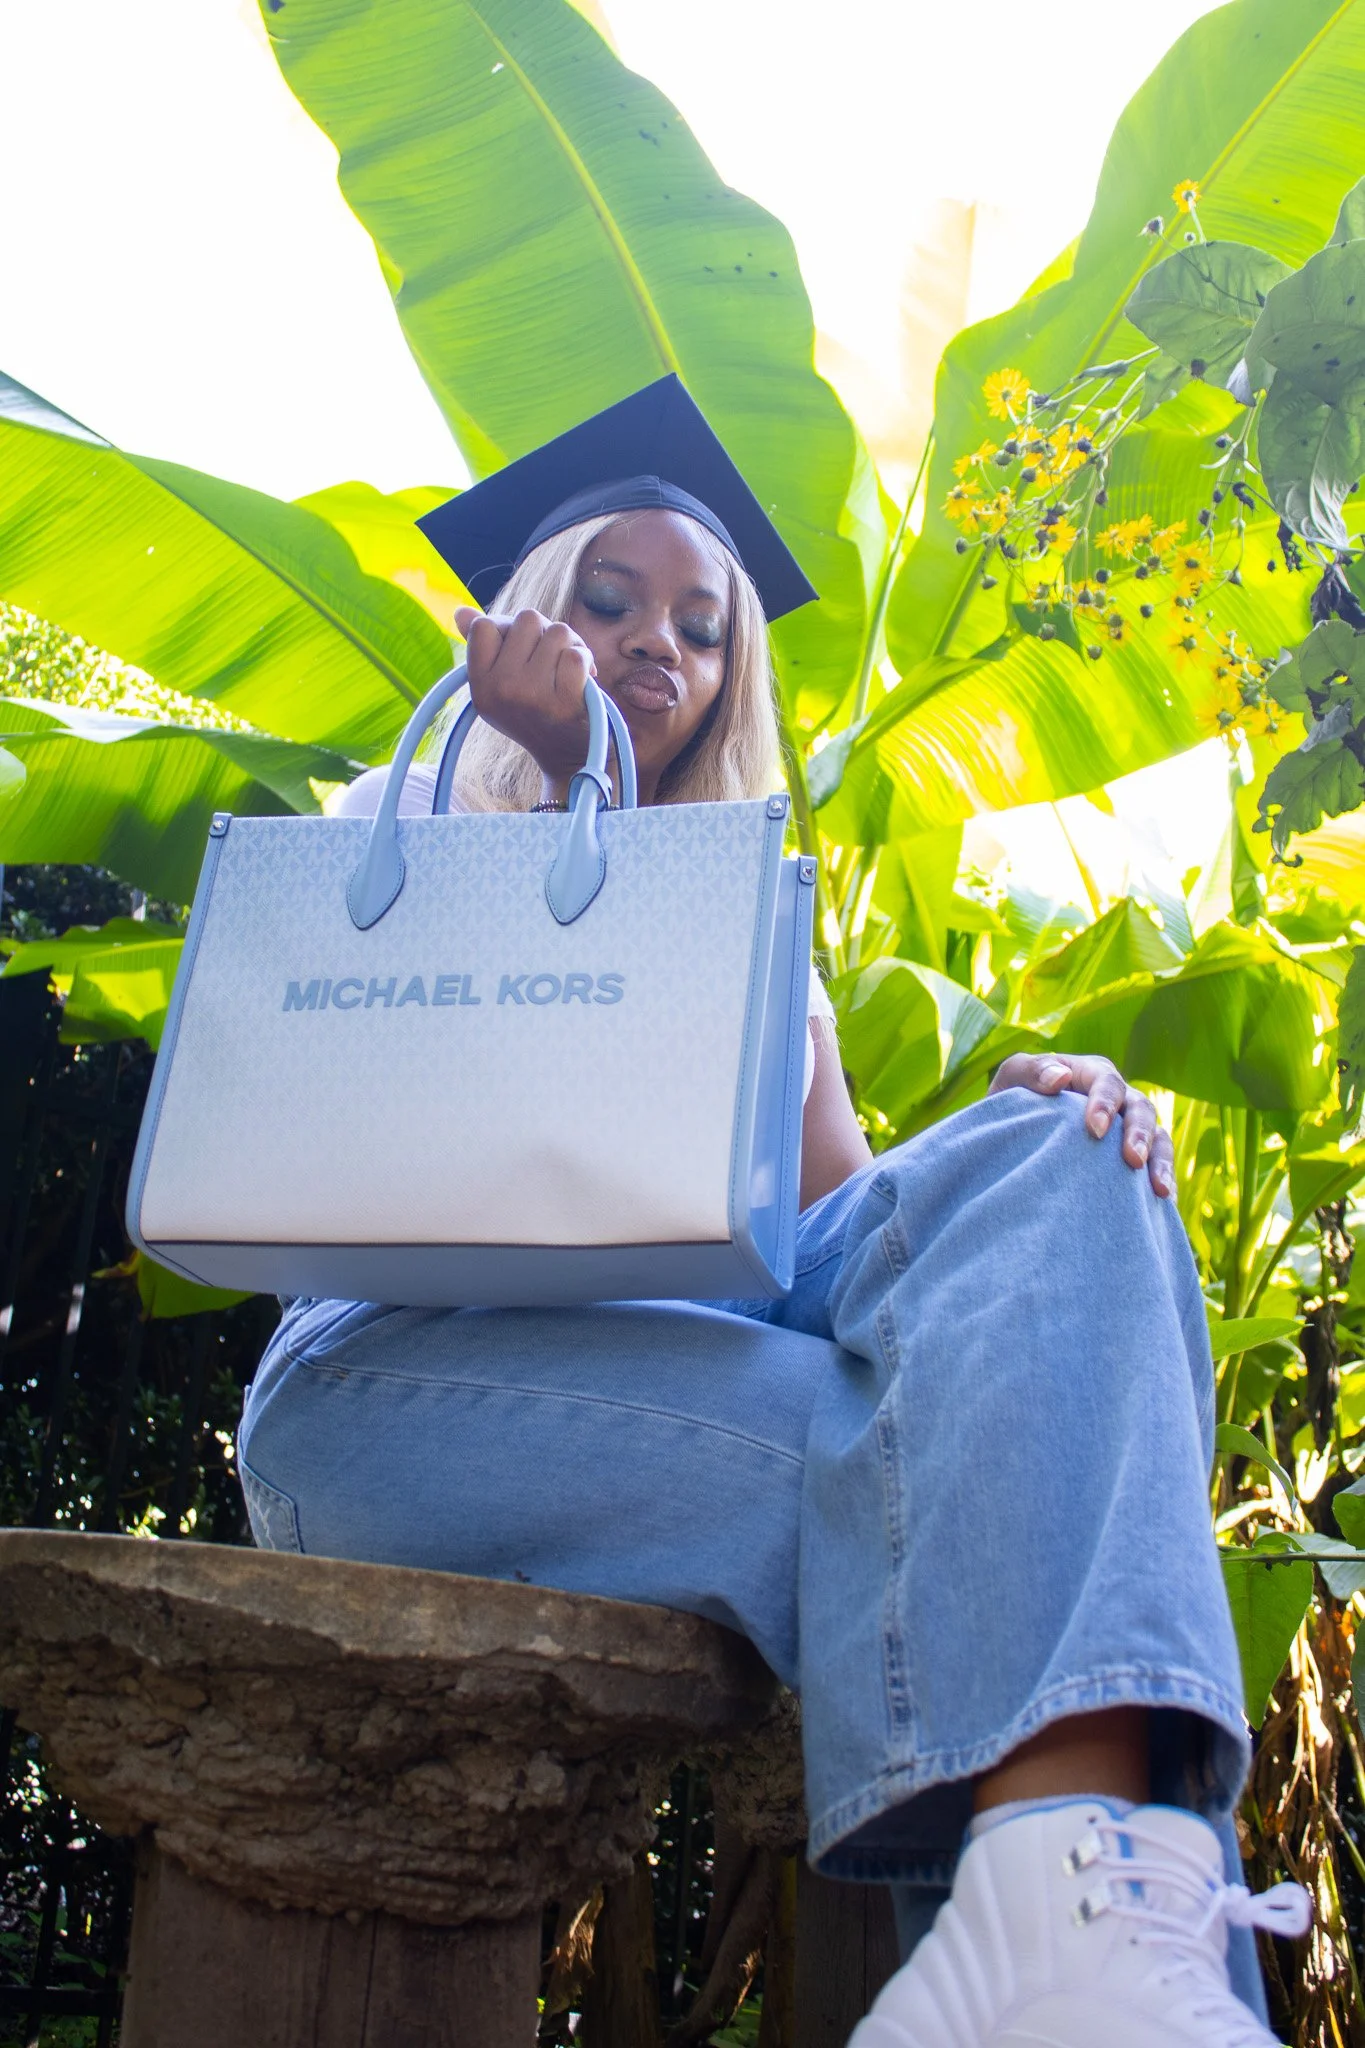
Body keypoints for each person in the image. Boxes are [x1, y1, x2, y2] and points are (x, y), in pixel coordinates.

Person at [236, 378, 1307, 2047]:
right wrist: (558, 779)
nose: (656, 644)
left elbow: (851, 1236)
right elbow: (357, 1151)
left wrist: (1024, 1128)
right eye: (610, 601)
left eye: (701, 626)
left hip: (696, 1378)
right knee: (1002, 1466)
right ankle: (1059, 1956)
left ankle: (1065, 1940)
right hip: (388, 1389)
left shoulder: (753, 916)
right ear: (535, 609)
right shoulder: (403, 818)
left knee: (1062, 1174)